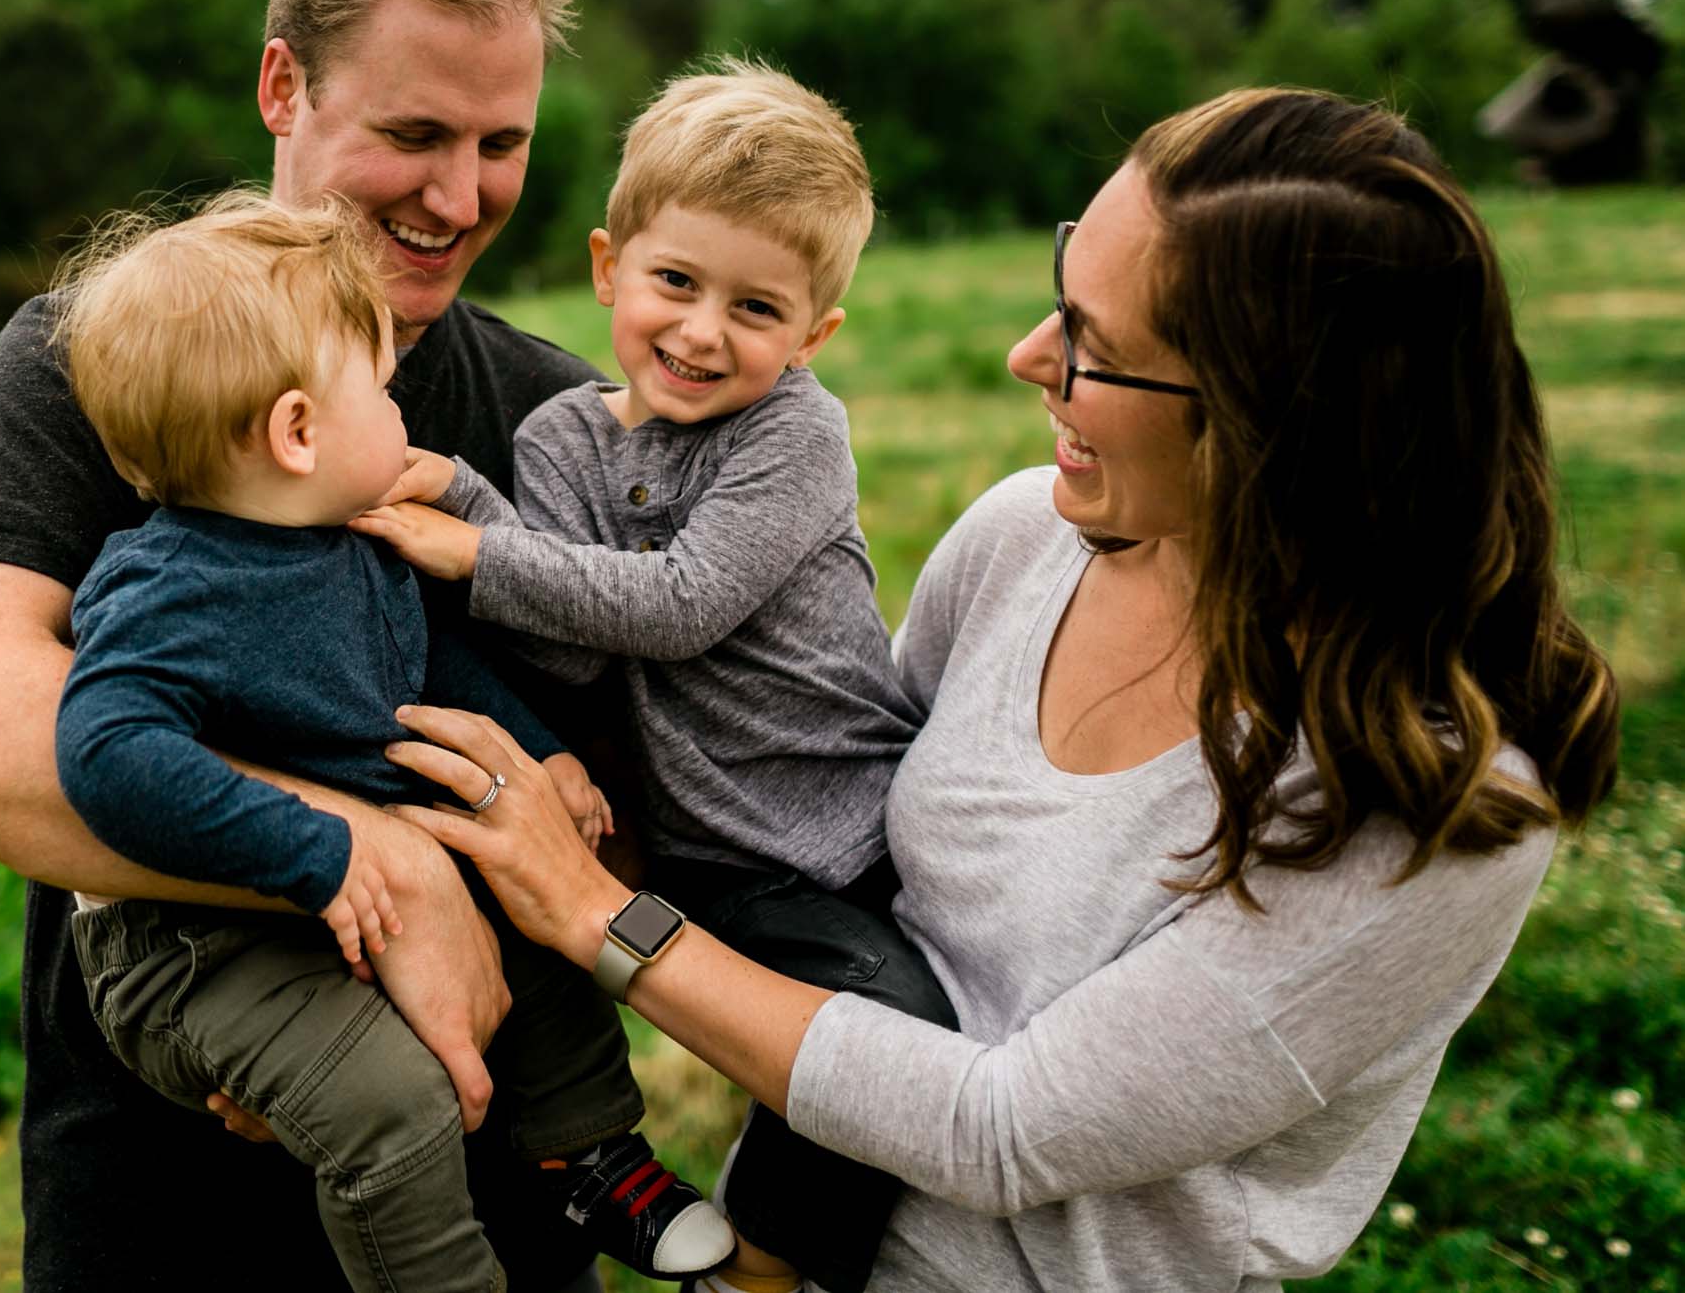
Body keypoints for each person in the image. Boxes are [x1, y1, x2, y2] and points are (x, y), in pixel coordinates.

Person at [367, 88, 1621, 1291]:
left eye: (1098, 348)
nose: (1029, 357)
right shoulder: (1028, 537)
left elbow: (1003, 1130)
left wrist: (598, 914)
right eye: (1056, 299)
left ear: (1271, 421)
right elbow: (819, 784)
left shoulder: (1420, 796)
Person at [0, 0, 628, 1290]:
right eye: (414, 131)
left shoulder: (559, 415)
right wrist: (373, 867)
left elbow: (636, 802)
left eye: (502, 143)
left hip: (490, 1199)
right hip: (159, 1209)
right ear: (284, 87)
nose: (459, 197)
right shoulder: (100, 354)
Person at [49, 193, 731, 1290]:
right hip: (199, 944)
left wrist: (536, 755)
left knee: (536, 907)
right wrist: (326, 850)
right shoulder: (165, 586)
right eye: (378, 385)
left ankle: (589, 1149)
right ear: (296, 431)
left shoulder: (352, 543)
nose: (399, 405)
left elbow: (424, 674)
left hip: (328, 908)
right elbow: (107, 753)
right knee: (388, 1098)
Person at [354, 61, 953, 1293]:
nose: (699, 330)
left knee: (884, 1039)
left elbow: (677, 608)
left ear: (813, 335)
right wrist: (469, 493)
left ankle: (768, 1265)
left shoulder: (794, 432)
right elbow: (573, 641)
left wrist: (473, 536)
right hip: (688, 847)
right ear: (606, 267)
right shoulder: (559, 434)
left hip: (831, 841)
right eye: (674, 281)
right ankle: (559, 1159)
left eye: (755, 307)